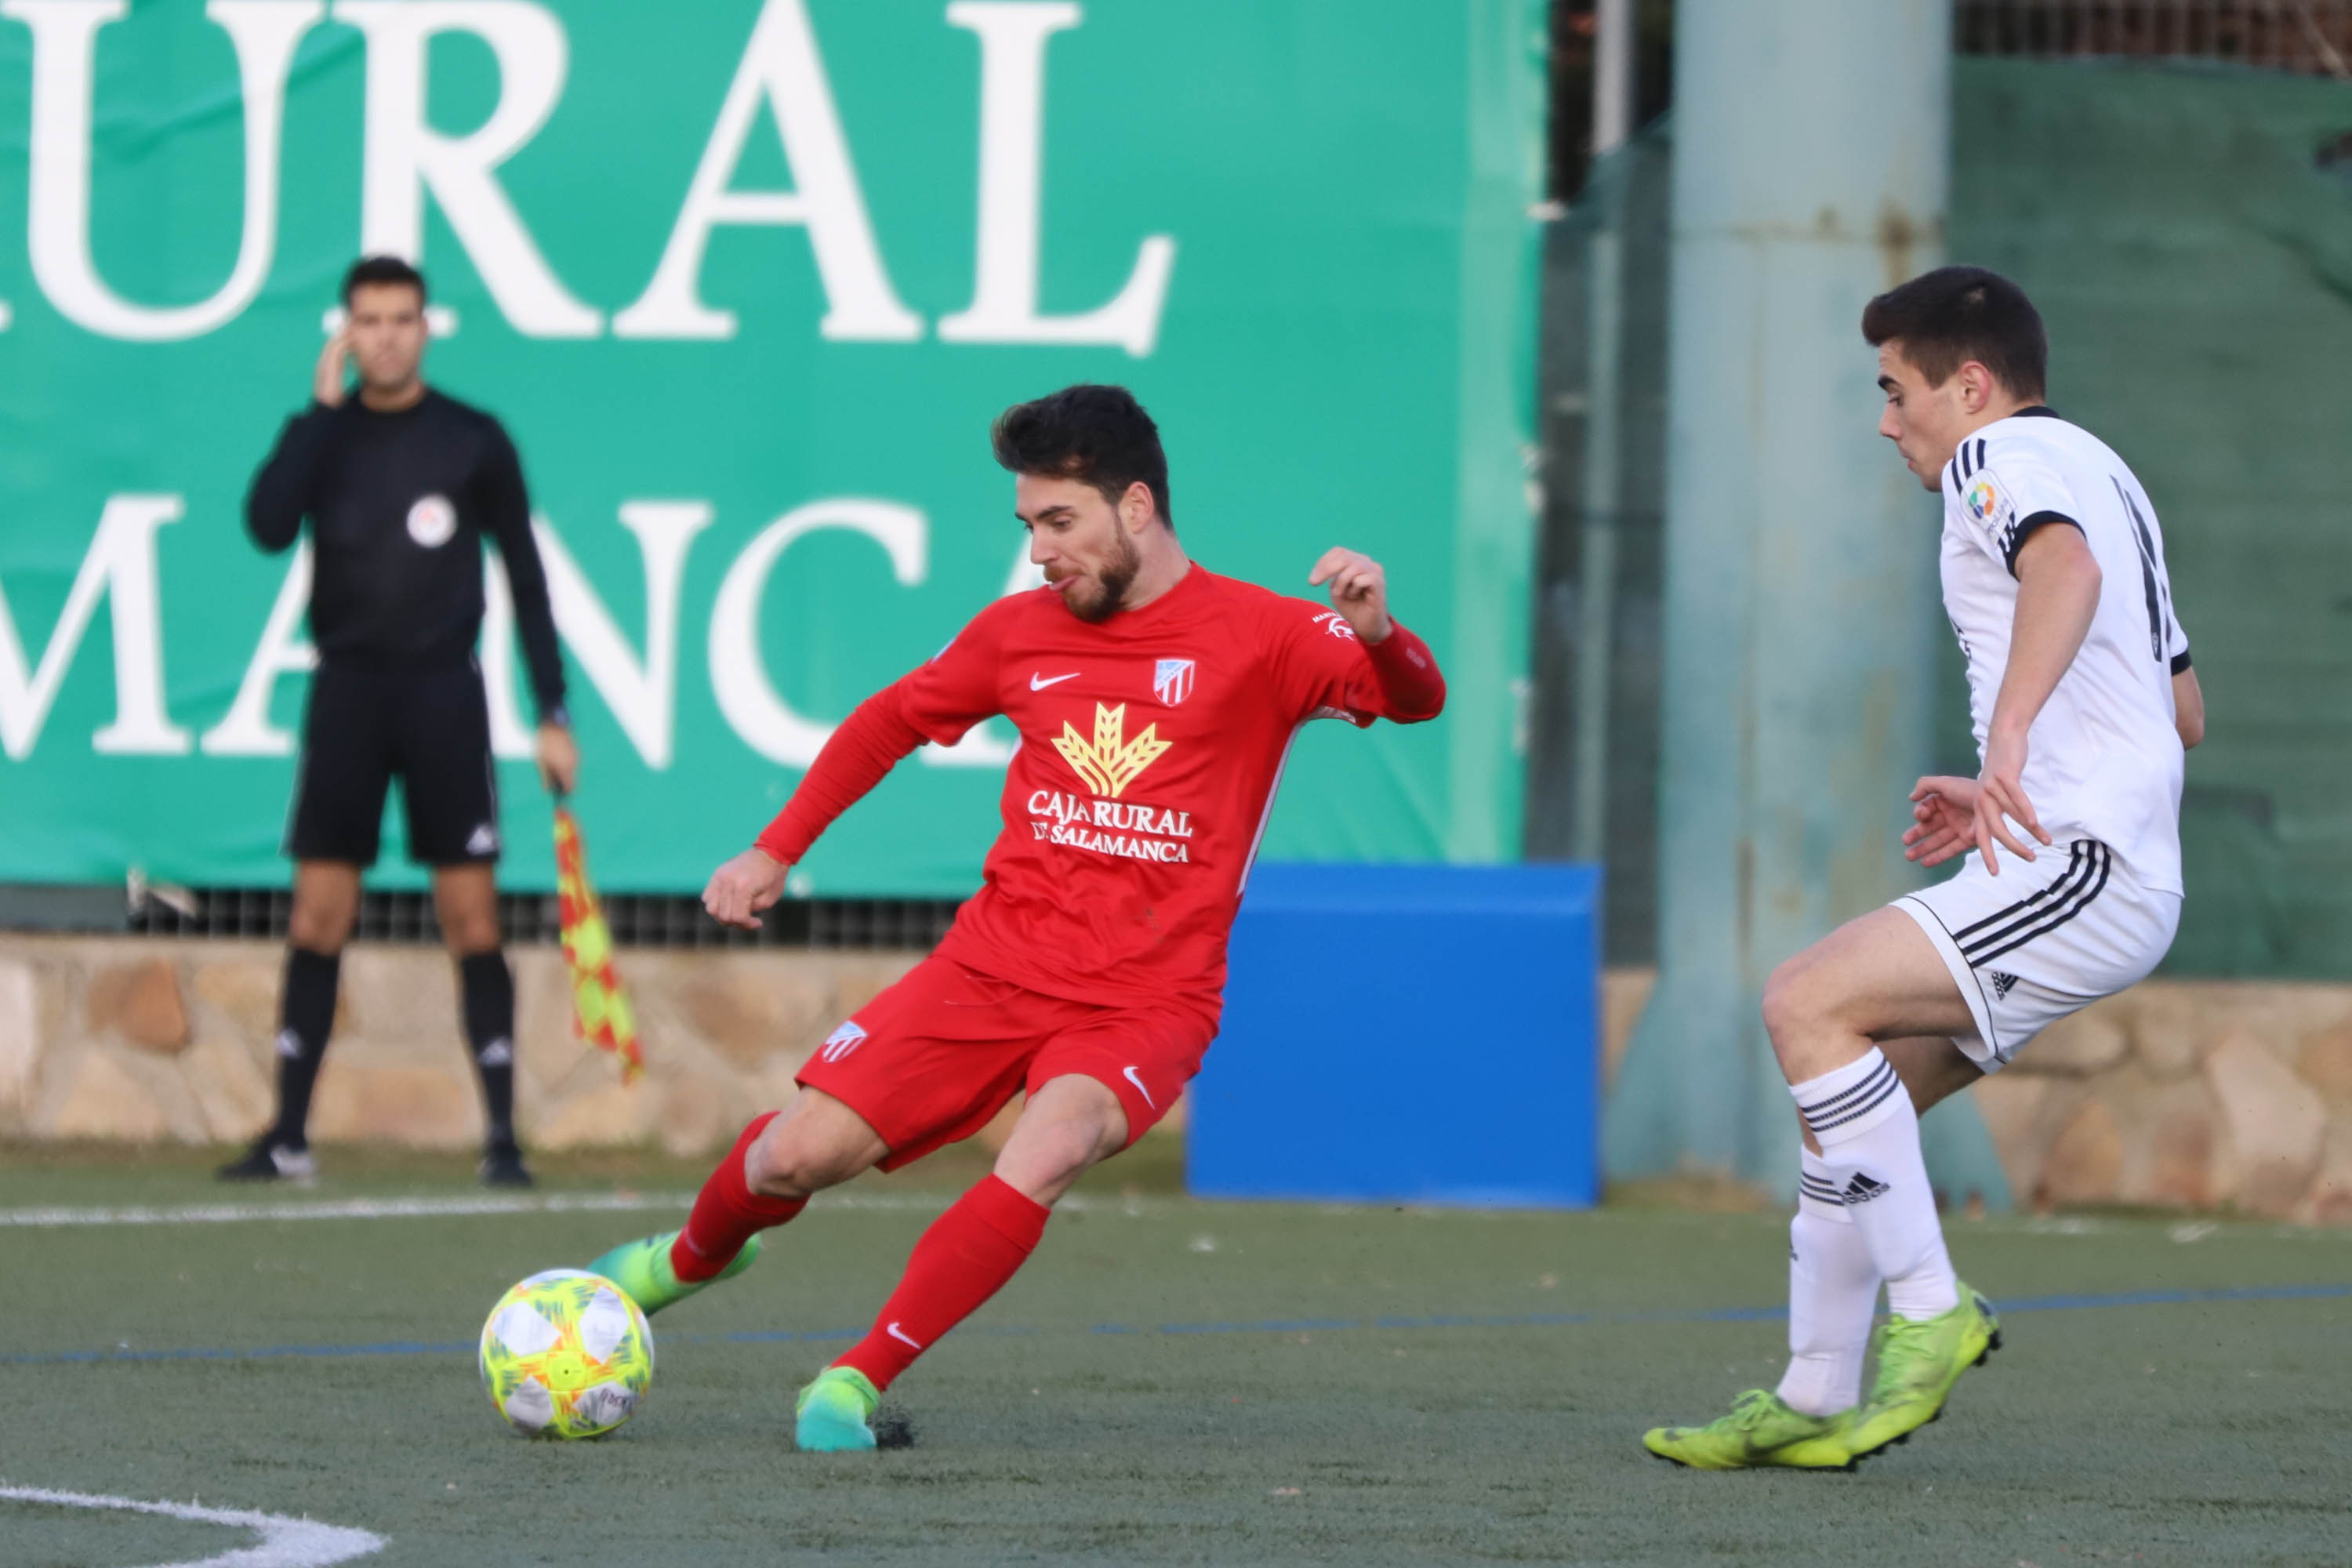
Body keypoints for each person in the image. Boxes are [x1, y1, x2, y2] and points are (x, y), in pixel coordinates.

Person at [583, 383, 1446, 1450]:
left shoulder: (1265, 635)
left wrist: (1382, 633)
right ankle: (685, 1263)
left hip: (1146, 997)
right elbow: (891, 720)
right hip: (990, 968)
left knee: (1054, 1139)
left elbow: (1414, 699)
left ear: (1137, 508)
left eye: (1059, 523)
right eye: (1029, 526)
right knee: (790, 1160)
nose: (1039, 551)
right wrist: (776, 849)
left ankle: (855, 1380)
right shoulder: (1017, 633)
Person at [1644, 267, 2203, 1470]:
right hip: (2091, 849)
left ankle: (1935, 1312)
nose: (1886, 420)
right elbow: (2183, 709)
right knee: (1855, 1113)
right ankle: (1809, 1392)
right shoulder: (2108, 472)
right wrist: (2022, 764)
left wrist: (2005, 744)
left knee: (1803, 1000)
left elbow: (2067, 576)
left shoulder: (1990, 463)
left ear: (1971, 384)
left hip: (2085, 861)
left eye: (1896, 390)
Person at [217, 256, 578, 1189]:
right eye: (367, 321)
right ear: (347, 331)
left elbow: (528, 579)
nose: (385, 335)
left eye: (401, 318)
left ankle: (501, 1137)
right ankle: (288, 1135)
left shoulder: (472, 438)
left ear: (425, 327)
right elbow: (264, 522)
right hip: (347, 695)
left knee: (470, 913)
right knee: (318, 910)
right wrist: (317, 412)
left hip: (442, 697)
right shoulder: (325, 438)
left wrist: (553, 710)